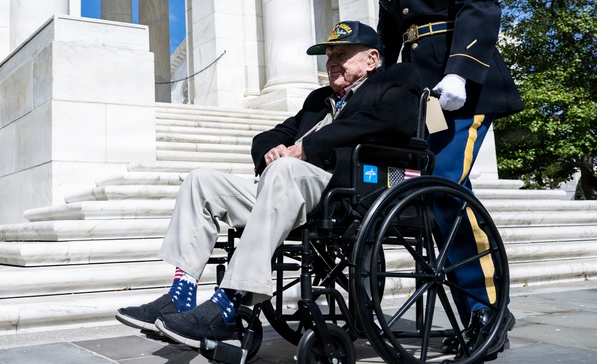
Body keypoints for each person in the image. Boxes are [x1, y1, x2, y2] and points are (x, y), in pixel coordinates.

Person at [116, 21, 422, 346]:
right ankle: (181, 293)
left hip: (346, 187)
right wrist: (270, 150)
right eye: (329, 56)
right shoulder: (319, 100)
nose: (331, 62)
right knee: (201, 182)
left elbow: (393, 120)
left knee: (284, 170)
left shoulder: (396, 80)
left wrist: (309, 147)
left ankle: (229, 304)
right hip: (286, 187)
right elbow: (271, 134)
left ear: (371, 59)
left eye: (342, 55)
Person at [375, 0, 524, 357]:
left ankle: (485, 308)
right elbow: (388, 44)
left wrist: (459, 70)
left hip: (463, 87)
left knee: (443, 191)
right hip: (418, 96)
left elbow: (481, 6)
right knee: (396, 192)